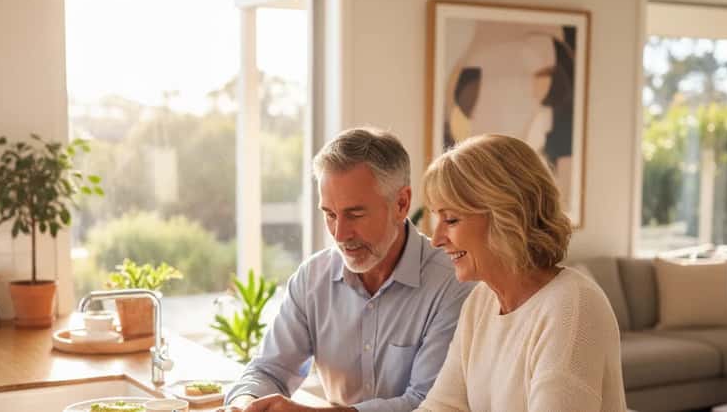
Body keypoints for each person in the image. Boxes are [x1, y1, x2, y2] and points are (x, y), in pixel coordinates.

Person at [218, 128, 475, 412]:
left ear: (401, 204)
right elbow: (268, 371)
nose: (339, 234)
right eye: (329, 214)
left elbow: (427, 403)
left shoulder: (453, 283)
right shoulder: (312, 278)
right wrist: (243, 405)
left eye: (355, 214)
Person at [415, 134, 626, 412]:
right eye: (436, 218)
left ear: (506, 216)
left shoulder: (571, 307)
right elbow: (441, 406)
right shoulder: (481, 302)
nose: (436, 239)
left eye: (451, 219)